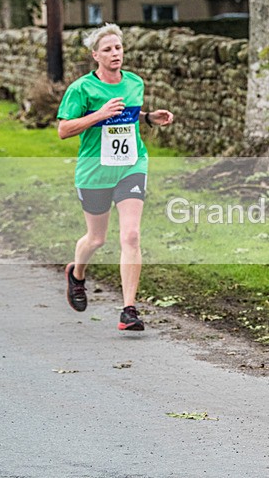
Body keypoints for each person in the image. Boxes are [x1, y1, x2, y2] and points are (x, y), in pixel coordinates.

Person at [57, 23, 174, 331]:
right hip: (95, 171)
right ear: (95, 55)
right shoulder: (81, 89)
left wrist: (149, 118)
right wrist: (99, 114)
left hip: (131, 166)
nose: (114, 54)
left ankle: (129, 310)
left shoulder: (135, 82)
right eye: (107, 49)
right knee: (96, 238)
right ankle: (76, 274)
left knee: (131, 235)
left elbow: (129, 117)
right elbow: (63, 129)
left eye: (118, 48)